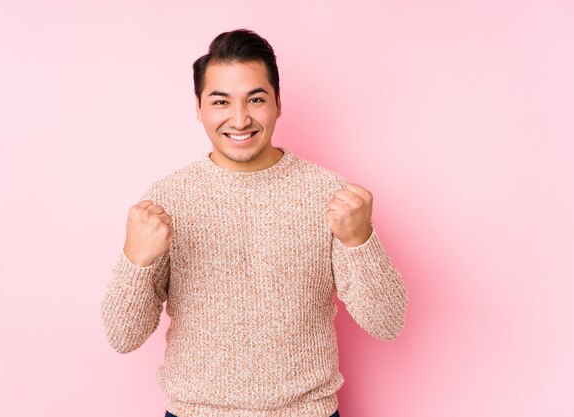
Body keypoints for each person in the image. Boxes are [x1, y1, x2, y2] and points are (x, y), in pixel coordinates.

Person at [101, 29, 408, 417]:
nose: (240, 118)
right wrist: (136, 259)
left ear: (278, 103)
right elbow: (122, 336)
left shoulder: (330, 195)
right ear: (198, 107)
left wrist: (360, 241)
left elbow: (388, 323)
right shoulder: (168, 199)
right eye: (220, 101)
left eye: (256, 99)